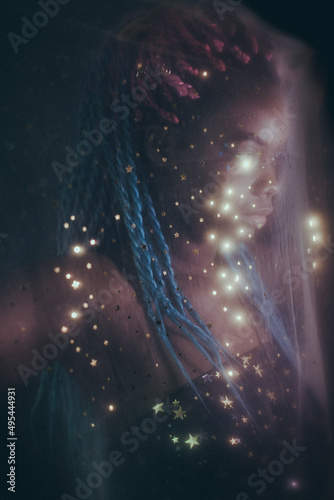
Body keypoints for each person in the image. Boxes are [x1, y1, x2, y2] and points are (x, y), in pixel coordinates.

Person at [1, 2, 331, 499]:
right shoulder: (94, 289)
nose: (270, 185)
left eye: (277, 158)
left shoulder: (264, 275)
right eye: (244, 153)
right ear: (161, 146)